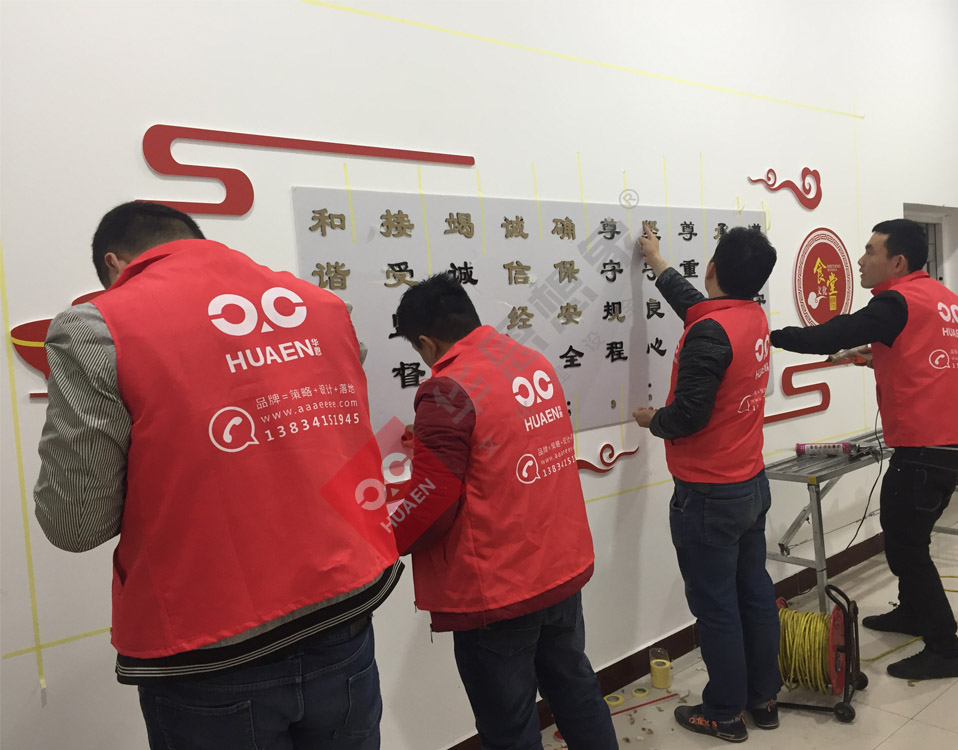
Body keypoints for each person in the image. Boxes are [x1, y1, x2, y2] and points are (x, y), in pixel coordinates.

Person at [34, 201, 403, 749]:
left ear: (114, 263)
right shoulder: (323, 305)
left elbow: (76, 524)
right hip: (344, 612)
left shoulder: (98, 328)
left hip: (210, 646)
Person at [388, 273, 618, 750]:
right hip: (557, 567)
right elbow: (504, 443)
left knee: (509, 726)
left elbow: (432, 504)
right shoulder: (529, 360)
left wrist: (379, 541)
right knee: (575, 689)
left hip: (499, 588)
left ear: (426, 343)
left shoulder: (446, 390)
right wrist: (435, 439)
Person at [771, 218, 958, 680]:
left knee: (907, 546)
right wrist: (874, 357)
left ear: (897, 261)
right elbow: (942, 361)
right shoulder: (950, 303)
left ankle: (945, 649)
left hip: (923, 445)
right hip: (952, 440)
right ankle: (912, 612)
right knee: (910, 537)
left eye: (869, 251)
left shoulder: (895, 301)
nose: (861, 260)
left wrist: (769, 336)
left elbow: (832, 334)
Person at [633, 223, 780, 743]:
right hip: (750, 483)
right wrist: (657, 262)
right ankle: (763, 698)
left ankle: (722, 712)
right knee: (754, 593)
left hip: (709, 494)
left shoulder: (711, 333)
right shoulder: (750, 316)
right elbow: (697, 306)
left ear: (713, 268)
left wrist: (653, 420)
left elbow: (690, 414)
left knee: (717, 607)